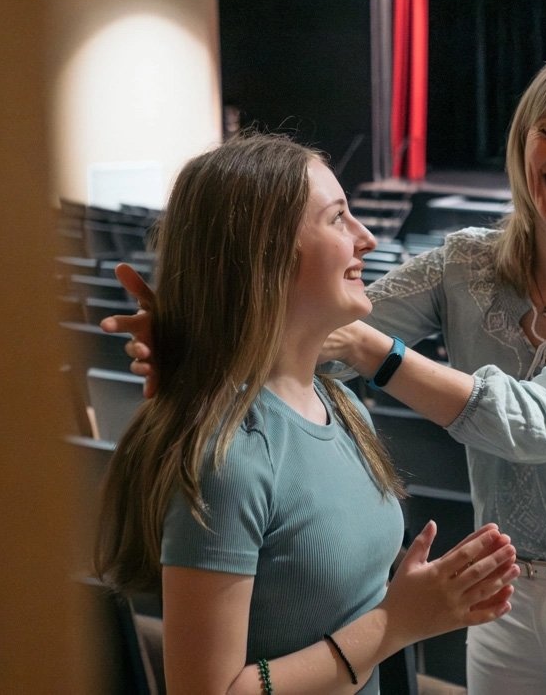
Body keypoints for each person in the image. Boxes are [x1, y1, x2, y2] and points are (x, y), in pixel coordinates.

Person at [107, 41, 546, 692]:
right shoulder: (466, 261)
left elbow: (544, 422)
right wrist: (198, 345)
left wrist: (376, 351)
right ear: (523, 138)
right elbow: (301, 337)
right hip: (506, 596)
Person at [94, 134, 520, 694]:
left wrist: (412, 607)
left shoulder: (339, 405)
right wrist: (397, 623)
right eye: (338, 219)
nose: (365, 238)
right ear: (267, 254)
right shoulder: (231, 458)